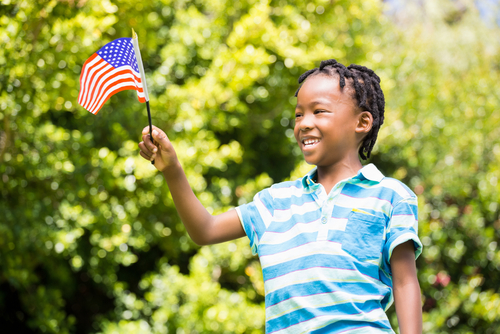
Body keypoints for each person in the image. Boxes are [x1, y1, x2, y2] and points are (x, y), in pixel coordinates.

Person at [138, 59, 423, 334]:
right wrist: (173, 170)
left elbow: (405, 283)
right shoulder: (276, 201)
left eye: (319, 111)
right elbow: (205, 230)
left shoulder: (390, 195)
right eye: (299, 114)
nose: (304, 123)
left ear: (362, 123)